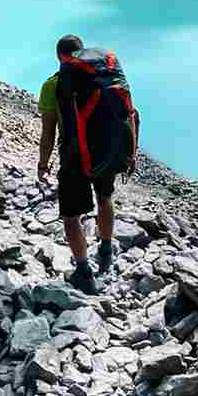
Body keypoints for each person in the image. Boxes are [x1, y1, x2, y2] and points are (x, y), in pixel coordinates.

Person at [37, 33, 137, 293]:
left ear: (60, 57)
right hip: (106, 150)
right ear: (82, 52)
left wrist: (43, 164)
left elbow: (48, 132)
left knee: (72, 215)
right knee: (105, 198)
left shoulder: (53, 84)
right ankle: (106, 252)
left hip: (74, 157)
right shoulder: (105, 75)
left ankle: (83, 272)